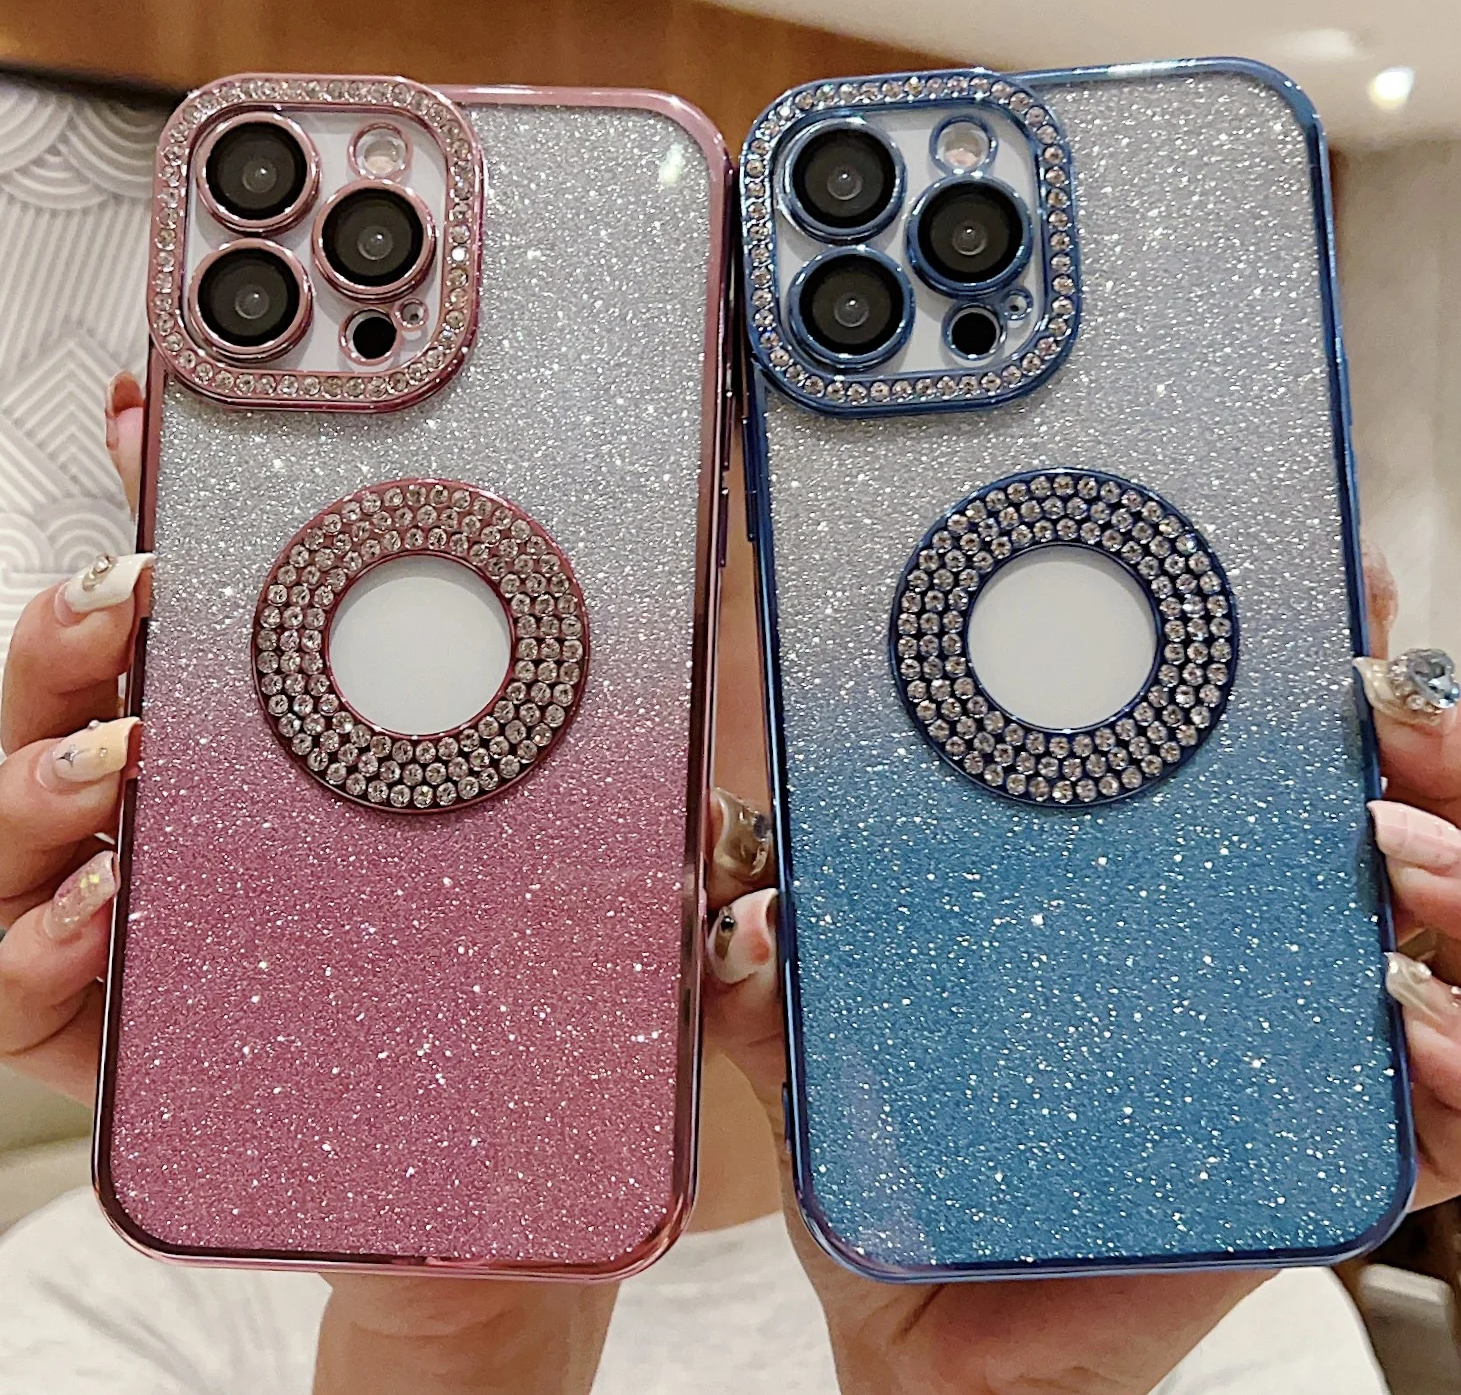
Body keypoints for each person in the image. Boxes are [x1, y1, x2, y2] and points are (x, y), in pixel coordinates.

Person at [0, 374, 1456, 1395]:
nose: (596, 694)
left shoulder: (1190, 1298)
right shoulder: (112, 1294)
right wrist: (458, 1342)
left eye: (714, 570)